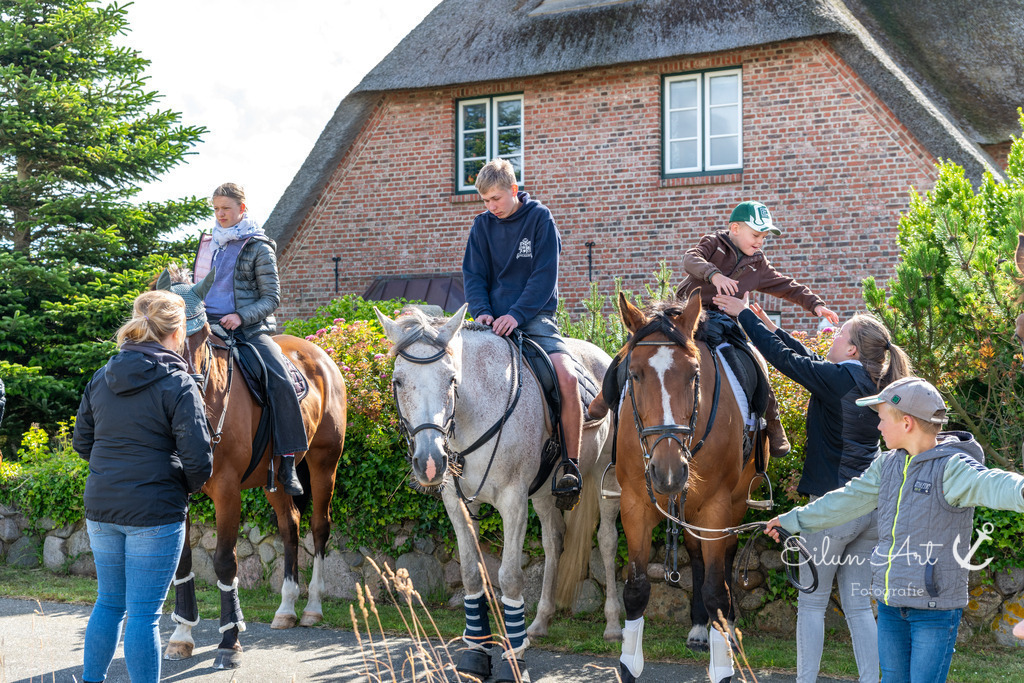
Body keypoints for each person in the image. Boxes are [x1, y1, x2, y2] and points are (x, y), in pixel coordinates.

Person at [765, 377, 1024, 683]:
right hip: (891, 607)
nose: (878, 427)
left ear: (906, 423)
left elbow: (998, 485)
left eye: (883, 419)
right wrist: (792, 520)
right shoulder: (887, 465)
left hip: (933, 611)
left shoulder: (952, 469)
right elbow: (845, 501)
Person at [716, 294, 912, 683]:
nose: (832, 338)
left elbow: (789, 363)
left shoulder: (841, 379)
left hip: (831, 511)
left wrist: (744, 318)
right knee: (858, 607)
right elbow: (810, 360)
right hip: (868, 513)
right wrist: (771, 327)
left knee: (811, 604)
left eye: (839, 334)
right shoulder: (865, 379)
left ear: (853, 348)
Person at [591, 200, 838, 460]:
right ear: (734, 228)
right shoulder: (714, 243)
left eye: (764, 237)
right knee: (640, 346)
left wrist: (815, 305)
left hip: (723, 320)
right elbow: (690, 259)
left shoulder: (758, 264)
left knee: (752, 359)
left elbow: (787, 286)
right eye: (756, 234)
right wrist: (714, 275)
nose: (760, 241)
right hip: (685, 316)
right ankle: (603, 398)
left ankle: (773, 421)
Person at [73, 290, 213, 683]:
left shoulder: (102, 377)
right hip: (155, 512)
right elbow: (200, 462)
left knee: (108, 604)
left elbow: (82, 443)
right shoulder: (179, 382)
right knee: (144, 616)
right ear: (177, 332)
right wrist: (175, 486)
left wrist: (113, 471)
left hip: (102, 508)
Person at [462, 158, 583, 510]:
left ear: (514, 190)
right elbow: (474, 276)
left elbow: (544, 277)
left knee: (567, 378)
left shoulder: (540, 219)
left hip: (534, 318)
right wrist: (482, 311)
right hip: (490, 321)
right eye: (485, 201)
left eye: (496, 199)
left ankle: (570, 465)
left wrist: (516, 315)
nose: (491, 207)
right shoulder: (482, 226)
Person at [193, 182, 307, 495]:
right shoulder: (208, 244)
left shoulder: (259, 246)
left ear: (242, 209)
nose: (220, 214)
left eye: (226, 209)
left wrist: (242, 316)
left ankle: (287, 463)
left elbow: (272, 297)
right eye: (216, 209)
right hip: (207, 326)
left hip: (248, 329)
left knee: (280, 379)